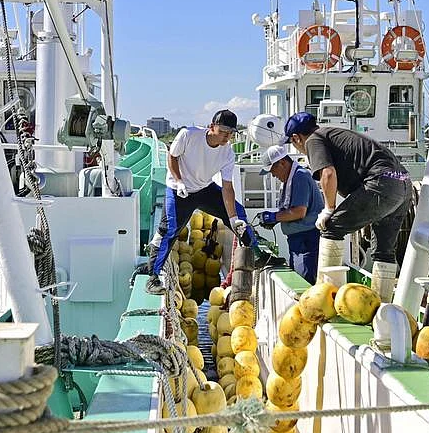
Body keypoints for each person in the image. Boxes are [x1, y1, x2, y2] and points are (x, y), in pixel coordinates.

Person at [281, 112, 412, 301]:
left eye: (293, 143)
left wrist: (328, 209)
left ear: (296, 138)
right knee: (384, 251)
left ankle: (324, 299)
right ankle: (380, 304)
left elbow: (327, 173)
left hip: (382, 182)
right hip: (402, 183)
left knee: (331, 227)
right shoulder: (332, 134)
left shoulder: (313, 140)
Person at [146, 110, 253, 295]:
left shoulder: (227, 152)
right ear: (212, 127)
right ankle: (153, 276)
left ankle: (255, 252)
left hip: (204, 189)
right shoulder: (188, 135)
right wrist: (179, 181)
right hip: (179, 190)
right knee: (169, 229)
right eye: (224, 131)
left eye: (231, 132)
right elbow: (173, 156)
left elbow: (227, 188)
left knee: (239, 213)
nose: (227, 136)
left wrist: (233, 218)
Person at [257, 145, 324, 283]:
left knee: (304, 280)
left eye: (273, 170)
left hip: (307, 239)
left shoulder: (300, 176)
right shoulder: (291, 178)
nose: (273, 175)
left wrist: (273, 217)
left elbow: (299, 211)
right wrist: (275, 219)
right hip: (298, 240)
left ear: (282, 163)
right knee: (299, 278)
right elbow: (290, 209)